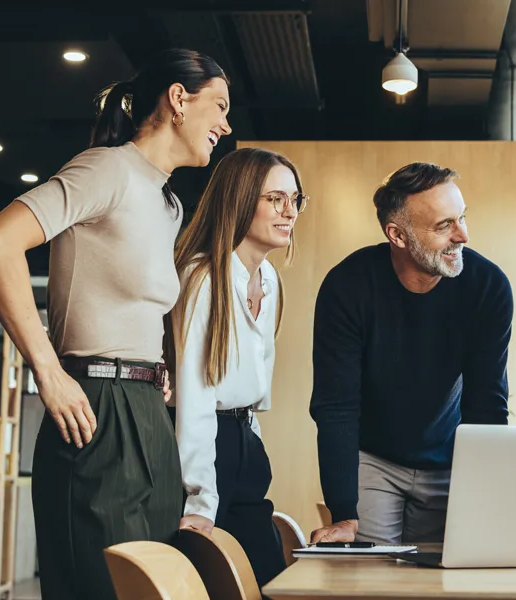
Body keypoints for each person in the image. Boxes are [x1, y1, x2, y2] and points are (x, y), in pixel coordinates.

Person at [0, 49, 232, 600]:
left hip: (146, 412)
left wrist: (155, 365)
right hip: (92, 406)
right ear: (179, 100)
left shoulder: (169, 205)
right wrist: (48, 370)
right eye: (219, 106)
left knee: (153, 586)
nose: (226, 126)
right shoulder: (107, 168)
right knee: (99, 587)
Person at [309, 162, 513, 545]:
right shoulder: (347, 286)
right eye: (444, 226)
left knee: (439, 580)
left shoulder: (489, 287)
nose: (463, 236)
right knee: (374, 579)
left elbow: (487, 402)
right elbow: (336, 405)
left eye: (462, 218)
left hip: (452, 457)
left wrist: (487, 499)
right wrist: (343, 513)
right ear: (397, 235)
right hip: (373, 458)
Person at [170, 148, 305, 588]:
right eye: (276, 199)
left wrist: (253, 442)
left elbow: (256, 382)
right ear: (241, 199)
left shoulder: (268, 279)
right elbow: (194, 396)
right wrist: (200, 500)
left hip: (245, 441)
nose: (289, 212)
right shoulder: (202, 277)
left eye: (295, 200)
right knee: (206, 584)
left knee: (267, 580)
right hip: (206, 448)